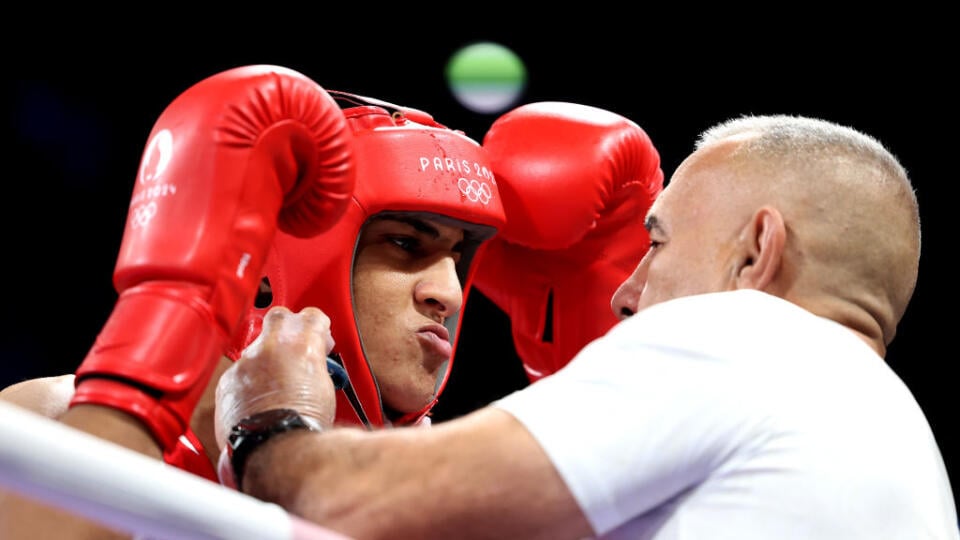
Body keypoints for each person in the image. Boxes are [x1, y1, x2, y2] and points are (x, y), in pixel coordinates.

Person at [212, 114, 959, 539]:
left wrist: (270, 422)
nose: (624, 295)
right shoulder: (896, 437)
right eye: (408, 247)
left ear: (757, 251)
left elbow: (355, 507)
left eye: (657, 242)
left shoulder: (746, 339)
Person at [0, 65, 664, 539]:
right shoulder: (44, 420)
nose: (449, 293)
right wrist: (171, 309)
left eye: (461, 259)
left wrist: (587, 360)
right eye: (405, 243)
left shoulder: (463, 490)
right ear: (275, 270)